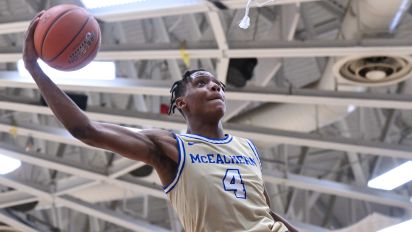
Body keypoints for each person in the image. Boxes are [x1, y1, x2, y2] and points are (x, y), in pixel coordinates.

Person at [23, 12, 298, 232]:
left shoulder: (247, 148)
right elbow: (85, 129)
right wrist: (35, 70)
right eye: (202, 83)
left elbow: (264, 212)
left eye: (219, 85)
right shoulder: (170, 146)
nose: (216, 88)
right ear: (182, 103)